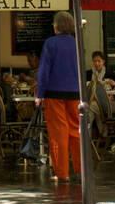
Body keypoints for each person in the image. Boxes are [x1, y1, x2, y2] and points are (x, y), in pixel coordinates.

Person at [35, 12, 82, 182]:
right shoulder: (77, 44)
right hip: (75, 93)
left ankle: (62, 172)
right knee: (76, 131)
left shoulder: (50, 44)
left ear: (56, 26)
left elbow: (44, 71)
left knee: (58, 133)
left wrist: (39, 94)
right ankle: (80, 168)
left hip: (54, 93)